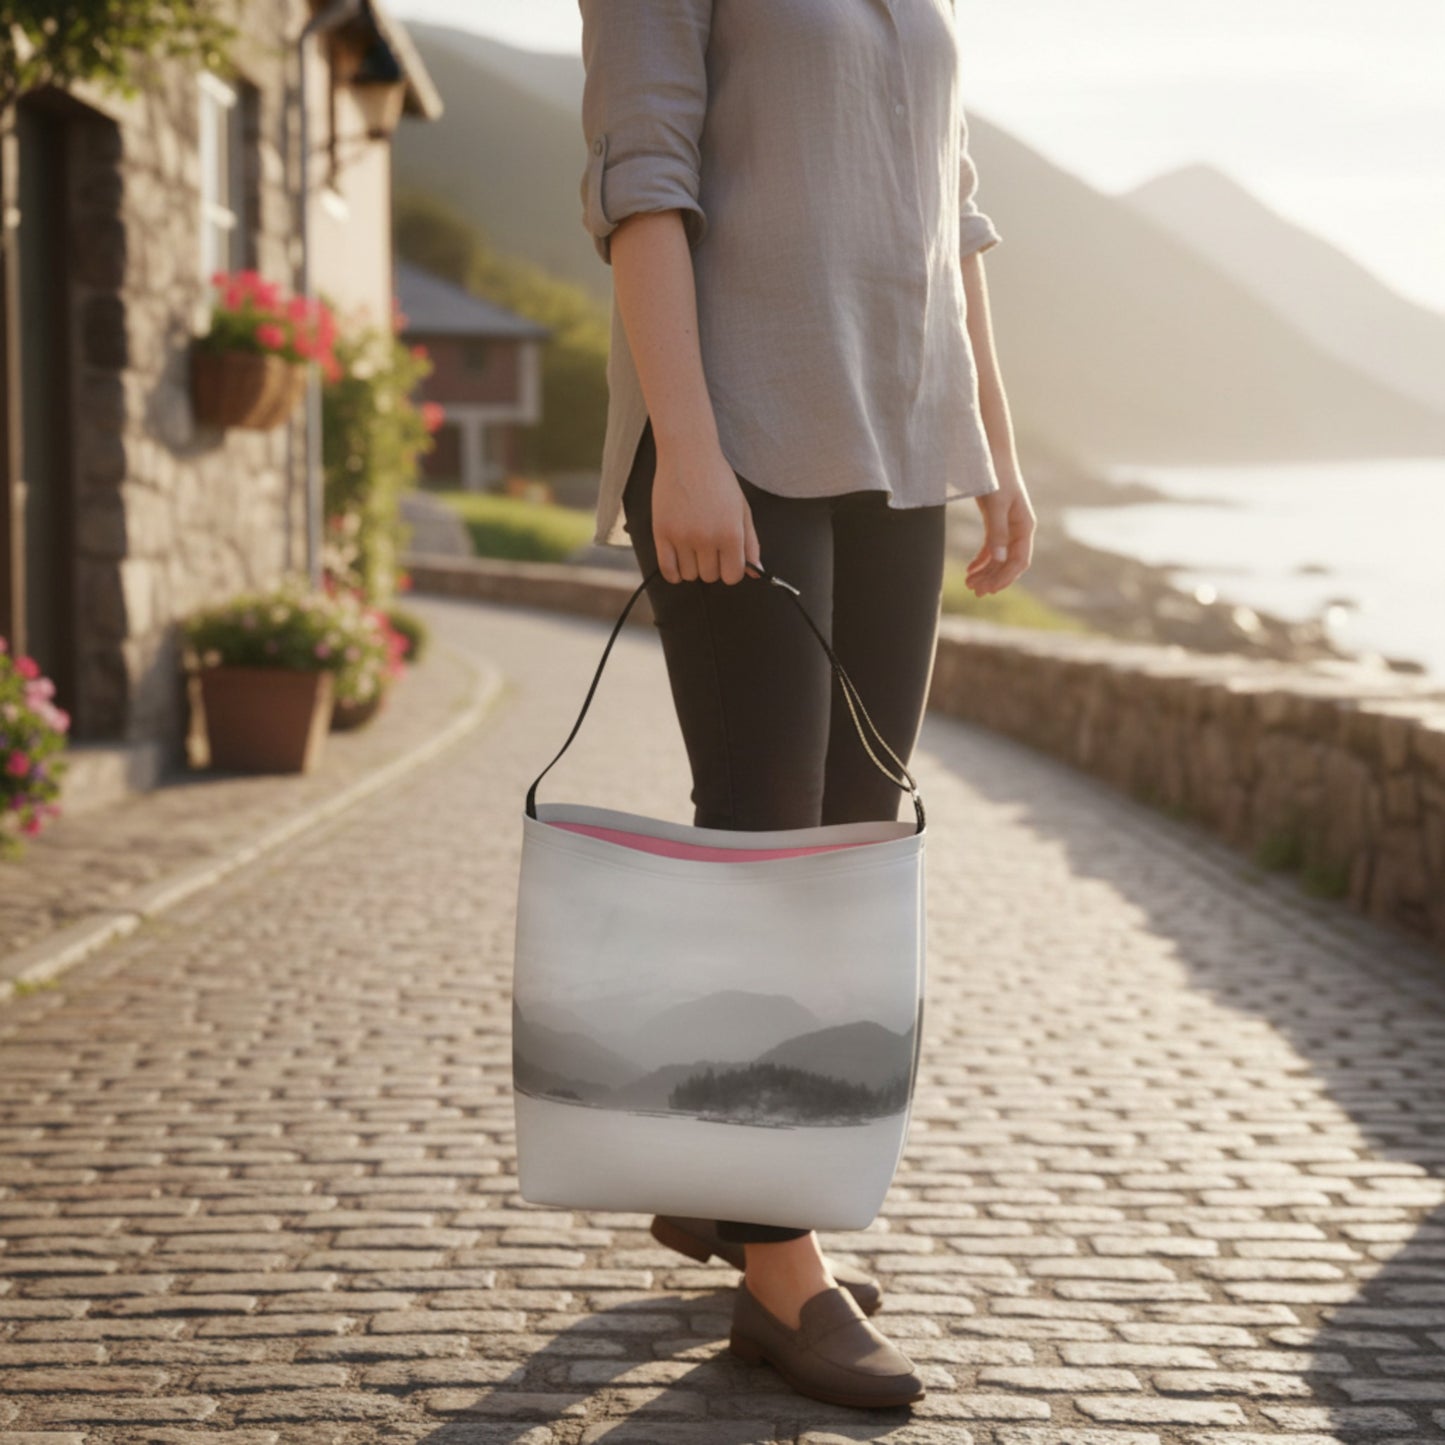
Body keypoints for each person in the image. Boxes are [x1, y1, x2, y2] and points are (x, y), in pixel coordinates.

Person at [577, 0, 1036, 1410]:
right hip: (742, 431)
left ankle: (731, 1179)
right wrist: (688, 450)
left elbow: (948, 211)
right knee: (768, 850)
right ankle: (780, 1267)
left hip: (901, 440)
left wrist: (997, 451)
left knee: (852, 842)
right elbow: (641, 178)